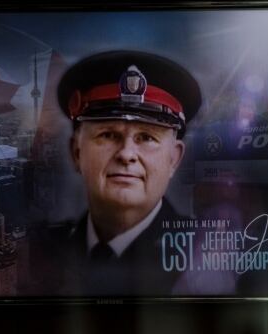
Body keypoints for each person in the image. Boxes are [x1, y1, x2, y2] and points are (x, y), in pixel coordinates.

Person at [55, 50, 202, 295]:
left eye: (146, 137)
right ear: (76, 152)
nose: (126, 154)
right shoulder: (46, 252)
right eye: (108, 135)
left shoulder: (202, 254)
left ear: (174, 158)